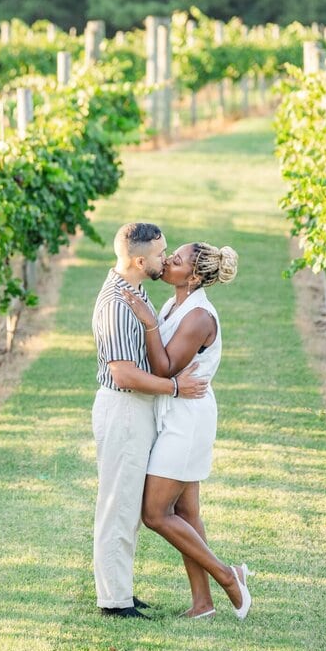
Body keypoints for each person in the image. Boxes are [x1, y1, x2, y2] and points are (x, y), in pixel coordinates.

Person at [121, 241, 251, 620]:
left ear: (193, 277)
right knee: (187, 513)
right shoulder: (175, 303)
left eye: (175, 261)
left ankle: (229, 577)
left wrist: (147, 323)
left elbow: (163, 368)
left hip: (187, 421)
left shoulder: (198, 317)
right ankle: (202, 603)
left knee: (156, 513)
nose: (167, 262)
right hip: (174, 413)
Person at [92, 222, 209, 619]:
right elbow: (123, 373)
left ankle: (121, 588)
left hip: (137, 409)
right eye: (161, 253)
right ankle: (114, 601)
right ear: (141, 261)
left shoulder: (135, 292)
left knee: (128, 505)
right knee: (118, 505)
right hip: (124, 407)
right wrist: (174, 388)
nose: (167, 257)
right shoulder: (117, 304)